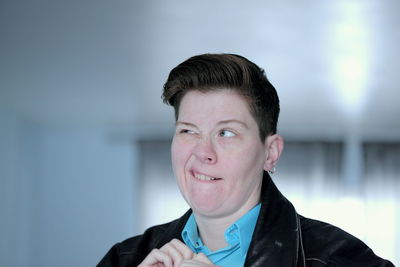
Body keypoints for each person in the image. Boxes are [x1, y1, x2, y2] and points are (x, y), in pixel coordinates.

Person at [97, 54, 394, 267]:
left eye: (226, 133)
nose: (203, 152)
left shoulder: (339, 258)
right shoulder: (126, 258)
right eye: (189, 130)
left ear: (270, 153)